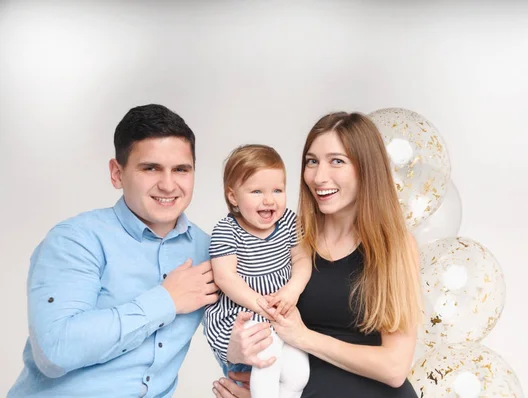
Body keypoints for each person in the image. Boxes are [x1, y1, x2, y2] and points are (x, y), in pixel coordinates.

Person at [8, 104, 221, 397]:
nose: (169, 184)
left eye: (181, 170)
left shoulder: (210, 251)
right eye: (151, 168)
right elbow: (55, 351)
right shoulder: (75, 240)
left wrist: (243, 372)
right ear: (117, 173)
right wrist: (166, 299)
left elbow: (231, 333)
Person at [213, 111, 422, 398]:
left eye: (337, 161)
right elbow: (236, 307)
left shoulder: (396, 246)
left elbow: (394, 368)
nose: (319, 177)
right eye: (312, 162)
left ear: (366, 168)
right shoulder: (292, 237)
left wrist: (304, 337)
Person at [204, 144, 311, 398]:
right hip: (250, 315)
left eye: (277, 190)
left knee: (298, 375)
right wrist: (260, 303)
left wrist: (292, 290)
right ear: (233, 197)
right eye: (256, 191)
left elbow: (302, 259)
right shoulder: (227, 231)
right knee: (266, 364)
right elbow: (225, 276)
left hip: (284, 312)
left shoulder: (287, 222)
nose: (269, 200)